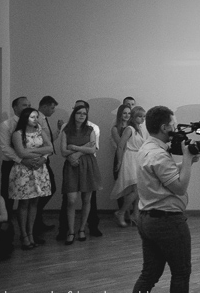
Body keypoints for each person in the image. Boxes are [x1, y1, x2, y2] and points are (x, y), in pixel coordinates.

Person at [124, 105, 200, 293]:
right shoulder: (160, 154)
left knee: (148, 276)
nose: (176, 128)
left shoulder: (147, 147)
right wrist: (187, 160)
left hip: (147, 218)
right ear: (164, 127)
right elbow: (179, 188)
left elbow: (159, 171)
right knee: (181, 273)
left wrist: (185, 162)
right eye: (173, 124)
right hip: (167, 221)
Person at [8, 108, 52, 250]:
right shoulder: (18, 134)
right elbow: (21, 153)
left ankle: (31, 233)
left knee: (34, 202)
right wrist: (40, 152)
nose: (36, 119)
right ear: (25, 118)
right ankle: (24, 235)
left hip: (39, 170)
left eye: (36, 117)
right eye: (32, 117)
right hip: (24, 171)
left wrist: (32, 151)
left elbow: (50, 148)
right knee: (24, 203)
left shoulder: (40, 131)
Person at [60, 104, 101, 244]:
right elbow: (63, 152)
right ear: (74, 115)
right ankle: (71, 231)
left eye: (84, 113)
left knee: (86, 199)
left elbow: (93, 149)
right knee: (71, 200)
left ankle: (82, 229)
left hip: (88, 165)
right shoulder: (66, 130)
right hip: (71, 165)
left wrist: (75, 148)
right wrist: (83, 148)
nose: (82, 115)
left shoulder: (90, 130)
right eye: (79, 113)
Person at [0, 96, 34, 240]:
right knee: (8, 198)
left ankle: (29, 231)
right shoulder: (6, 125)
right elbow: (5, 147)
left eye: (29, 105)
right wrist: (21, 160)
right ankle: (7, 235)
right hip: (11, 164)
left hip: (30, 164)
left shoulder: (33, 123)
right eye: (24, 105)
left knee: (29, 198)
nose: (28, 107)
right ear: (15, 108)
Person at [111, 105, 147, 228]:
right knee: (136, 189)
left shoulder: (140, 129)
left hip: (138, 159)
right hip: (130, 159)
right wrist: (119, 161)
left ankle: (135, 214)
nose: (143, 119)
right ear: (134, 117)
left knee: (139, 189)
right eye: (140, 116)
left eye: (144, 116)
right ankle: (121, 212)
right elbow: (121, 146)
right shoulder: (129, 129)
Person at [34, 95, 59, 241]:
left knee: (48, 189)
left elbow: (48, 140)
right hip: (40, 159)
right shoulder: (37, 119)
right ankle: (35, 220)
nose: (53, 110)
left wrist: (58, 130)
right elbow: (39, 141)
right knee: (46, 189)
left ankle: (38, 219)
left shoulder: (44, 119)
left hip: (45, 157)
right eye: (52, 107)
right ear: (44, 106)